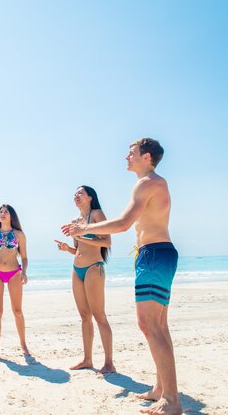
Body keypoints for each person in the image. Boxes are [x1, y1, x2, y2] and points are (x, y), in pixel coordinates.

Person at [63, 138, 181, 415]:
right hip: (153, 255)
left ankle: (173, 401)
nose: (126, 157)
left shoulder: (149, 182)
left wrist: (82, 232)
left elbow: (123, 224)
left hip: (154, 254)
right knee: (159, 325)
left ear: (146, 156)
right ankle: (161, 389)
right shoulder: (148, 183)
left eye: (131, 153)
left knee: (149, 324)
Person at [55, 185, 115, 374]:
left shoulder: (97, 214)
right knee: (84, 317)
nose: (76, 195)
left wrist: (80, 233)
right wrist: (68, 248)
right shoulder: (75, 221)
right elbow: (79, 249)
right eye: (75, 193)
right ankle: (87, 359)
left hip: (93, 268)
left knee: (99, 315)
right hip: (77, 268)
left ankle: (109, 363)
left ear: (90, 197)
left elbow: (106, 242)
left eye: (80, 193)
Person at [0, 204, 30, 358]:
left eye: (6, 212)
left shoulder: (19, 235)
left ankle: (23, 345)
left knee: (17, 311)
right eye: (0, 212)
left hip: (14, 273)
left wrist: (24, 272)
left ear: (11, 216)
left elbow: (24, 257)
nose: (2, 214)